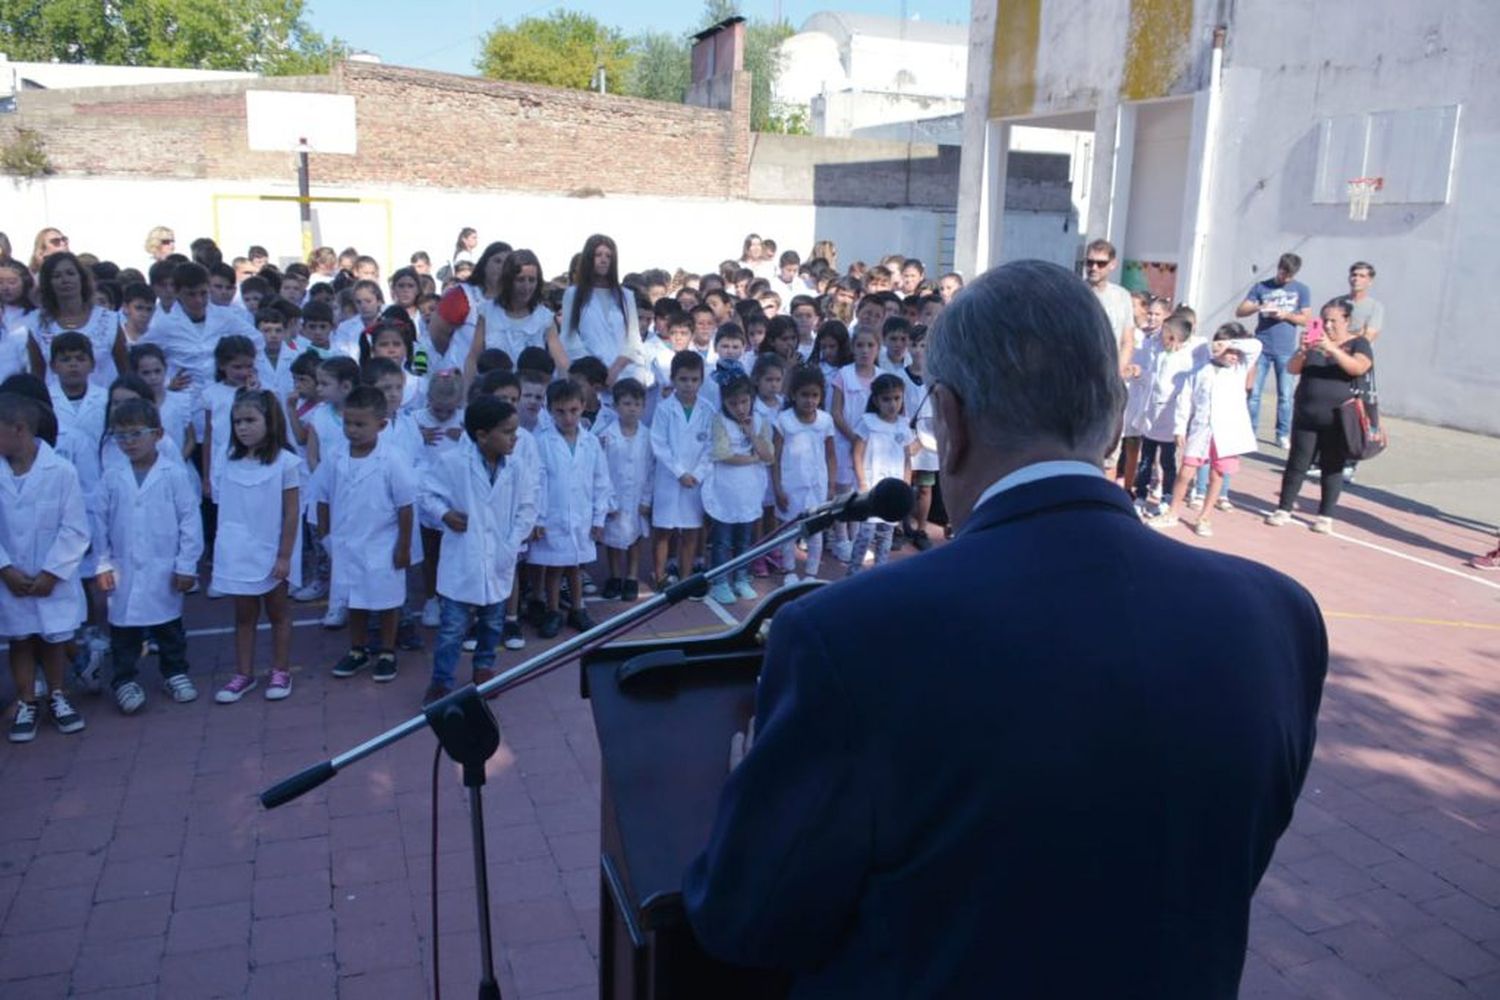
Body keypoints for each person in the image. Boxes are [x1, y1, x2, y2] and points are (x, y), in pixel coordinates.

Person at [683, 259, 1329, 997]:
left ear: (950, 423)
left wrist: (748, 797)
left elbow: (745, 920)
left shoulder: (848, 638)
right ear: (1116, 418)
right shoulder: (1278, 617)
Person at [93, 398, 203, 713]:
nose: (128, 442)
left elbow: (190, 521)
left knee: (169, 626)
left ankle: (175, 672)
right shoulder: (112, 477)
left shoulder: (173, 474)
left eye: (135, 434)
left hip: (164, 565)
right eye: (120, 436)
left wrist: (186, 564)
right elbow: (98, 523)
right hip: (122, 567)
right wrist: (101, 563)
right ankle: (125, 679)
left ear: (157, 434)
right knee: (124, 630)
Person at [420, 396, 532, 704]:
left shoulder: (517, 467)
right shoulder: (453, 462)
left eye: (515, 430)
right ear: (482, 435)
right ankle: (441, 682)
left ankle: (484, 669)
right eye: (507, 432)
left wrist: (511, 543)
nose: (515, 438)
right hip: (463, 559)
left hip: (499, 557)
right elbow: (427, 494)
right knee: (452, 629)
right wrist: (445, 515)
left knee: (493, 623)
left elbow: (527, 507)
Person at [0, 391, 91, 743]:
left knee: (54, 637)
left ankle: (57, 694)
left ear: (18, 430)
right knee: (20, 639)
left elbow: (75, 527)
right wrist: (5, 568)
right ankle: (27, 700)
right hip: (10, 579)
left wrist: (52, 572)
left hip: (53, 577)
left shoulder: (62, 471)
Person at [318, 385, 415, 683]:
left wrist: (403, 547)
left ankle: (387, 651)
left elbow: (405, 506)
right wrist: (326, 537)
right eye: (348, 423)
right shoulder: (335, 457)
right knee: (354, 598)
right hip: (347, 543)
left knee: (386, 600)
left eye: (360, 424)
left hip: (382, 544)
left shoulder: (392, 459)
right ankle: (357, 650)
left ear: (381, 425)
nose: (353, 430)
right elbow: (322, 497)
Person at [1264, 297, 1373, 534]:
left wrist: (1332, 348)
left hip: (1338, 418)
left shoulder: (1359, 343)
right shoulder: (1313, 343)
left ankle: (1325, 515)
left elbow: (1358, 367)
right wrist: (1303, 351)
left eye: (1334, 321)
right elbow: (1292, 369)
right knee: (1297, 463)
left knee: (1332, 466)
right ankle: (1283, 508)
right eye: (1324, 320)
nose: (1328, 325)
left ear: (1347, 320)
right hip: (1307, 413)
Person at [1148, 323, 1262, 536]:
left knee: (1217, 475)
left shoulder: (1240, 369)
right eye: (1230, 352)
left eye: (1237, 351)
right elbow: (1186, 400)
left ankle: (1205, 517)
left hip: (1226, 434)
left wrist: (1230, 343)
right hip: (1201, 430)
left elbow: (1256, 346)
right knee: (1186, 472)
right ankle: (1173, 512)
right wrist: (1180, 428)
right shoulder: (1200, 370)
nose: (1234, 356)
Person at [528, 379, 611, 637]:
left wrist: (599, 518)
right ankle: (553, 611)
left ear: (583, 407)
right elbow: (536, 482)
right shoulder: (540, 441)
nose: (567, 417)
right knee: (554, 567)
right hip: (552, 516)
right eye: (560, 411)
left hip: (581, 515)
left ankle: (578, 608)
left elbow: (601, 480)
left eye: (574, 410)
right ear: (549, 409)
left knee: (576, 566)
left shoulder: (591, 442)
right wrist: (538, 519)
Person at [702, 373, 774, 604]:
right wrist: (753, 459)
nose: (740, 408)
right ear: (724, 402)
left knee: (744, 540)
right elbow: (723, 454)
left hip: (749, 491)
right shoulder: (719, 421)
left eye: (744, 402)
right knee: (722, 541)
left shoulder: (761, 421)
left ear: (751, 399)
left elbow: (769, 455)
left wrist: (751, 434)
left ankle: (741, 578)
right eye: (733, 403)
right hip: (725, 490)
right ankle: (720, 581)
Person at [650, 351, 713, 591]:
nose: (689, 385)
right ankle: (660, 576)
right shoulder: (664, 409)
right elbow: (659, 444)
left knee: (690, 530)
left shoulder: (708, 410)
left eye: (694, 379)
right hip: (669, 479)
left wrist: (697, 473)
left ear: (701, 380)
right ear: (673, 379)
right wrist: (680, 472)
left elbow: (711, 448)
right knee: (664, 530)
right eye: (683, 379)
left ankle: (685, 579)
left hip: (695, 482)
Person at [1237, 252, 1313, 449]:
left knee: (1285, 396)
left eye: (1288, 275)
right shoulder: (1262, 286)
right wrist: (1260, 306)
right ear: (1278, 267)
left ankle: (1282, 434)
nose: (1284, 277)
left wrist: (1285, 314)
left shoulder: (1301, 290)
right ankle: (1249, 432)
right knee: (1253, 392)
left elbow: (1306, 320)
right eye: (1282, 272)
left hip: (1285, 348)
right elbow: (1241, 311)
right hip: (1262, 346)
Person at [772, 365, 836, 584]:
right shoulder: (784, 421)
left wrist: (832, 485)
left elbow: (830, 456)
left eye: (815, 395)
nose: (810, 400)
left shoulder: (825, 421)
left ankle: (811, 573)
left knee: (816, 530)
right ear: (793, 395)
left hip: (817, 484)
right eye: (804, 395)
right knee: (788, 529)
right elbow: (776, 457)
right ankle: (789, 570)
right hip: (791, 483)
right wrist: (778, 488)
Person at [846, 372, 914, 572]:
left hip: (893, 487)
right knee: (865, 533)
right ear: (876, 400)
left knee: (886, 534)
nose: (892, 404)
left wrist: (906, 484)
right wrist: (863, 482)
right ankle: (853, 572)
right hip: (872, 485)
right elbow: (857, 454)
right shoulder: (868, 422)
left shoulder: (903, 424)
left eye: (896, 398)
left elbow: (907, 457)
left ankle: (880, 572)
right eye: (886, 399)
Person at [559, 234, 644, 385]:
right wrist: (595, 369)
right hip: (589, 378)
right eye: (598, 255)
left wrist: (615, 369)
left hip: (625, 376)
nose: (603, 260)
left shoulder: (626, 296)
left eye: (608, 256)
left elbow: (634, 340)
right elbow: (569, 337)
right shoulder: (573, 294)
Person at [596, 377, 653, 602]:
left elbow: (651, 470)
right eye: (627, 403)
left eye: (637, 404)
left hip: (637, 496)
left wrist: (647, 499)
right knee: (613, 539)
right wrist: (606, 500)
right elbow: (600, 470)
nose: (632, 409)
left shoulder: (647, 436)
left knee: (635, 537)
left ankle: (631, 576)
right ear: (616, 406)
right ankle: (614, 576)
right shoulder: (605, 435)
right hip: (614, 496)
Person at [1081, 239, 1134, 372]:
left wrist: (1118, 373)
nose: (1094, 268)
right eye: (1090, 262)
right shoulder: (1074, 292)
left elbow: (1127, 340)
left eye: (1101, 264)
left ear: (1112, 264)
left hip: (1109, 372)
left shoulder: (1122, 296)